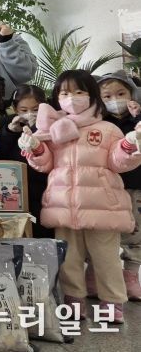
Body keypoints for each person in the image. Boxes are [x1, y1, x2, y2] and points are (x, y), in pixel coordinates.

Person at [18, 70, 141, 323]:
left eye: (78, 91)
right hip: (63, 205)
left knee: (106, 258)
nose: (71, 98)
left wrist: (129, 144)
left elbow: (118, 162)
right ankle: (73, 299)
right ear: (57, 98)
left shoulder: (107, 129)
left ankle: (112, 302)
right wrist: (36, 149)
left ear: (92, 95)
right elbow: (46, 164)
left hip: (102, 207)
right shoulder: (53, 130)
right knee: (69, 258)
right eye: (64, 93)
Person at [85, 71, 141, 301]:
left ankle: (131, 276)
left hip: (135, 187)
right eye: (107, 96)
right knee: (99, 232)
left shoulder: (137, 119)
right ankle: (93, 274)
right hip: (103, 188)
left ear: (132, 95)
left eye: (120, 94)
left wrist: (138, 118)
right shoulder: (96, 123)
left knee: (135, 233)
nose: (114, 100)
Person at [0, 84, 51, 238]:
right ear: (15, 109)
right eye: (24, 110)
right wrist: (9, 132)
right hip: (16, 189)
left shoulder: (51, 125)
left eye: (35, 109)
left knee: (42, 230)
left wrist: (35, 129)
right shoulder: (8, 124)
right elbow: (0, 155)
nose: (30, 114)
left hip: (42, 188)